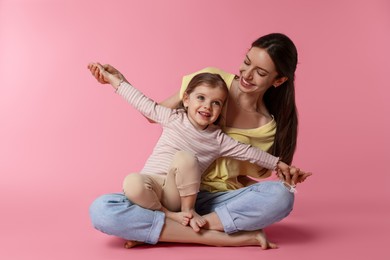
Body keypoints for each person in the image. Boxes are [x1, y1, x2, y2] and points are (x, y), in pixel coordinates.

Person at [88, 33, 312, 249]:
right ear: (188, 98)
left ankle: (159, 231)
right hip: (162, 190)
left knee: (282, 196)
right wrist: (119, 82)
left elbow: (242, 168)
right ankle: (215, 236)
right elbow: (152, 111)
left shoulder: (263, 129)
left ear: (279, 80)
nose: (247, 74)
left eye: (260, 72)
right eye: (246, 62)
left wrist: (277, 175)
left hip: (211, 202)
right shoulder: (208, 81)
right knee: (102, 210)